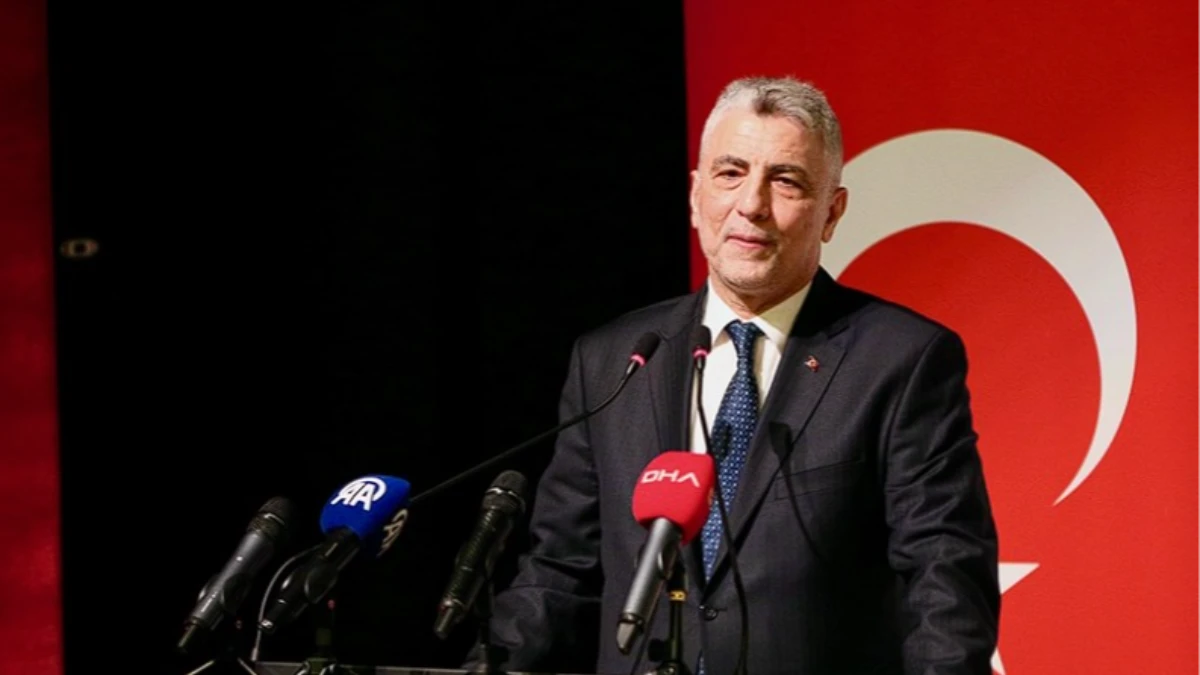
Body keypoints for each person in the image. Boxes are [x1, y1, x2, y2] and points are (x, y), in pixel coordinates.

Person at [477, 76, 1000, 675]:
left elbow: (944, 575)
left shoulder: (901, 359)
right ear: (695, 194)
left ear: (831, 212)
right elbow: (560, 570)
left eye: (786, 180)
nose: (751, 204)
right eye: (730, 173)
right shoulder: (613, 360)